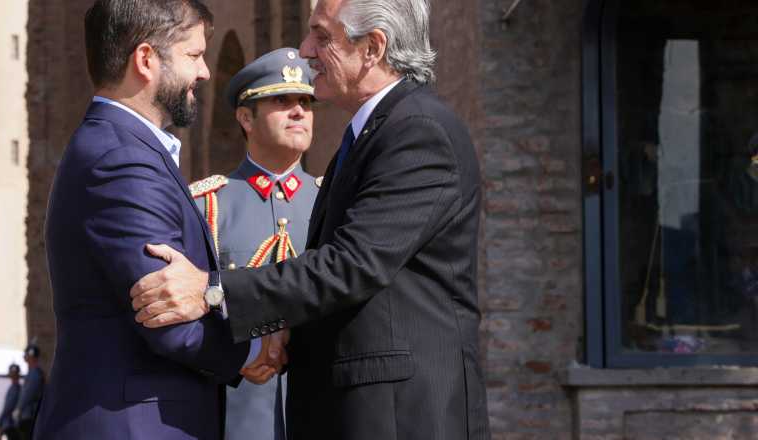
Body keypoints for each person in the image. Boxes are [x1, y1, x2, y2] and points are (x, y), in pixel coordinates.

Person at [129, 0, 490, 438]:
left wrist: (211, 290)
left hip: (400, 417)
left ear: (373, 48)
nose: (305, 50)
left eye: (321, 36)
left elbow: (351, 265)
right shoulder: (375, 132)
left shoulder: (417, 132)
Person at [33, 1, 282, 439]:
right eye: (192, 56)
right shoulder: (122, 160)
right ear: (146, 60)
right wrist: (259, 348)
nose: (204, 72)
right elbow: (167, 316)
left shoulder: (121, 148)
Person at [188, 47, 319, 440]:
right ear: (246, 118)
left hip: (321, 413)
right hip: (235, 417)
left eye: (305, 102)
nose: (298, 111)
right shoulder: (207, 205)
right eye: (282, 101)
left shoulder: (335, 201)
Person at [16, 344, 43, 440]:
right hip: (28, 415)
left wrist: (19, 408)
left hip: (30, 415)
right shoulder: (32, 373)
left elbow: (28, 395)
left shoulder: (34, 374)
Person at [0, 364, 22, 440]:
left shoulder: (15, 388)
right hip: (10, 423)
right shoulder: (15, 387)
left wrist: (0, 422)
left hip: (11, 424)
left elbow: (8, 408)